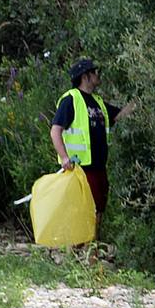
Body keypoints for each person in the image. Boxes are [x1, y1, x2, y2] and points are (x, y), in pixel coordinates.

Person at [49, 58, 137, 222]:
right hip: (80, 168)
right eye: (94, 72)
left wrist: (140, 100)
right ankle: (83, 247)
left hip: (99, 165)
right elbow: (55, 131)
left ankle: (93, 245)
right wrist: (64, 158)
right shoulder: (71, 100)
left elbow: (118, 115)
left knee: (99, 209)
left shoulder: (97, 102)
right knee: (86, 212)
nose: (98, 75)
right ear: (85, 76)